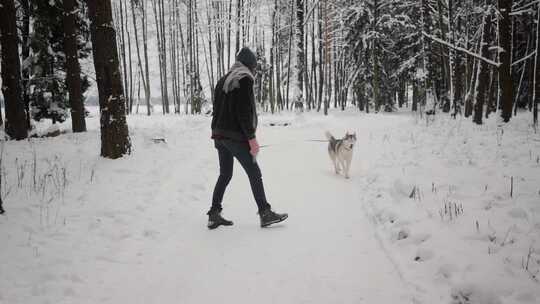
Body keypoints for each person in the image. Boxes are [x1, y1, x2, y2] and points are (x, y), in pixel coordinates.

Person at [208, 47, 288, 229]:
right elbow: (242, 111)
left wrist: (217, 134)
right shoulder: (243, 79)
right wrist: (251, 138)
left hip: (219, 135)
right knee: (254, 173)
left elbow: (217, 110)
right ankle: (265, 213)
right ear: (250, 65)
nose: (255, 71)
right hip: (234, 136)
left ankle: (214, 213)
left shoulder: (223, 80)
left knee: (225, 174)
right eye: (255, 67)